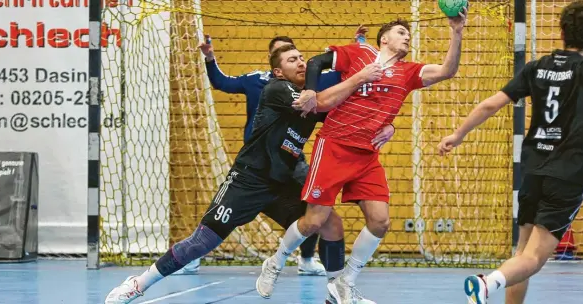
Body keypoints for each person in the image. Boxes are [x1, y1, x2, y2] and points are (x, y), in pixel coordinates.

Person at [104, 44, 385, 304]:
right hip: (249, 180)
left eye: (302, 59)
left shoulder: (314, 95)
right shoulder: (278, 89)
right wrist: (358, 77)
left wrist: (385, 127)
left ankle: (338, 293)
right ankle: (138, 284)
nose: (300, 63)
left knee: (330, 224)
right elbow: (319, 103)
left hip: (282, 182)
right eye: (292, 60)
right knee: (203, 241)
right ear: (278, 71)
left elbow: (346, 115)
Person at [256, 10, 468, 304]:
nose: (407, 37)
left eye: (408, 34)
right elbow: (317, 62)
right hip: (334, 146)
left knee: (380, 222)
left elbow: (447, 70)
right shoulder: (359, 54)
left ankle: (346, 282)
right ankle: (276, 262)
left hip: (367, 155)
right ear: (384, 38)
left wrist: (456, 32)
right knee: (314, 221)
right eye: (400, 32)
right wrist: (310, 91)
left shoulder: (408, 72)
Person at [177, 26, 368, 276]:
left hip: (290, 159)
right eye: (283, 54)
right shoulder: (257, 81)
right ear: (275, 64)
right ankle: (194, 252)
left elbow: (343, 77)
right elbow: (221, 82)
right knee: (226, 212)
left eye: (297, 56)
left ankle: (307, 259)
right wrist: (210, 58)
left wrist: (359, 45)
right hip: (255, 162)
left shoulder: (308, 83)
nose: (297, 61)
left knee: (312, 209)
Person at [436, 2, 583, 304]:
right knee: (533, 258)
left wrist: (458, 133)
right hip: (568, 174)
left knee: (520, 253)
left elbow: (489, 105)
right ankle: (486, 283)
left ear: (560, 32)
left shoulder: (536, 67)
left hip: (533, 171)